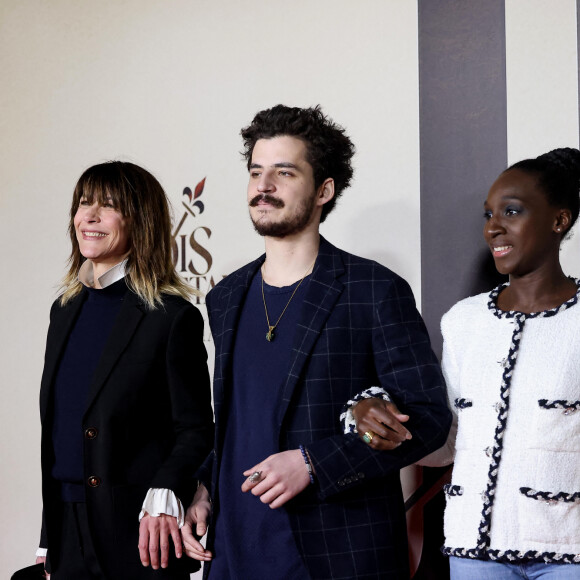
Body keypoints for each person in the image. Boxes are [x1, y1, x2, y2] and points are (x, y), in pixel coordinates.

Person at [181, 104, 452, 579]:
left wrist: (313, 463)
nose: (263, 187)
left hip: (334, 557)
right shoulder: (225, 297)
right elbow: (243, 421)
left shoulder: (373, 289)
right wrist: (203, 487)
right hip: (232, 554)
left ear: (324, 189)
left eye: (284, 172)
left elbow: (427, 420)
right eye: (256, 172)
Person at [351, 148, 580, 578]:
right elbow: (446, 442)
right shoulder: (464, 321)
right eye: (489, 214)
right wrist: (376, 416)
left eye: (511, 212)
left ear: (559, 220)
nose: (494, 227)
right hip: (473, 550)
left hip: (571, 549)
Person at [35, 161, 214, 579]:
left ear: (141, 221)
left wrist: (165, 491)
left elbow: (196, 430)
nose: (89, 217)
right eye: (83, 204)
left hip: (141, 534)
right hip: (67, 529)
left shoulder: (170, 317)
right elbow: (62, 434)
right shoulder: (63, 311)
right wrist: (49, 538)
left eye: (108, 206)